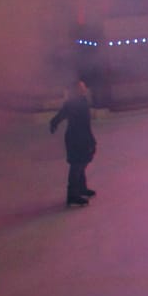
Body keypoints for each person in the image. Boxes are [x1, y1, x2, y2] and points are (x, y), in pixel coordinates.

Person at [49, 78, 96, 207]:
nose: (84, 89)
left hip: (83, 136)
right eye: (81, 87)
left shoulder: (82, 101)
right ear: (76, 90)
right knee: (77, 165)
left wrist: (90, 138)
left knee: (83, 162)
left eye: (84, 87)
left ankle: (81, 188)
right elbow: (61, 115)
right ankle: (72, 195)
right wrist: (54, 123)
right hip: (75, 138)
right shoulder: (72, 103)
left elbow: (86, 124)